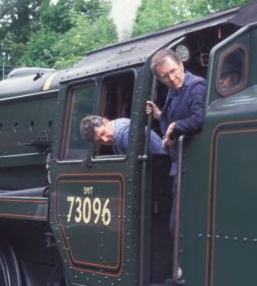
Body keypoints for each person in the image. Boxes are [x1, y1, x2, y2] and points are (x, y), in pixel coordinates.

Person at [145, 48, 207, 235]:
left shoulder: (197, 86)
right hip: (178, 162)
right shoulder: (173, 90)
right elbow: (176, 115)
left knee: (179, 225)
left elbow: (199, 118)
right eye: (164, 77)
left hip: (192, 164)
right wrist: (160, 115)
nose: (171, 79)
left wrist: (175, 126)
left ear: (181, 65)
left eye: (173, 71)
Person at [79, 115, 165, 156]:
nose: (105, 140)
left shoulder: (122, 133)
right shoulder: (119, 129)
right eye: (99, 141)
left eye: (103, 133)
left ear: (106, 121)